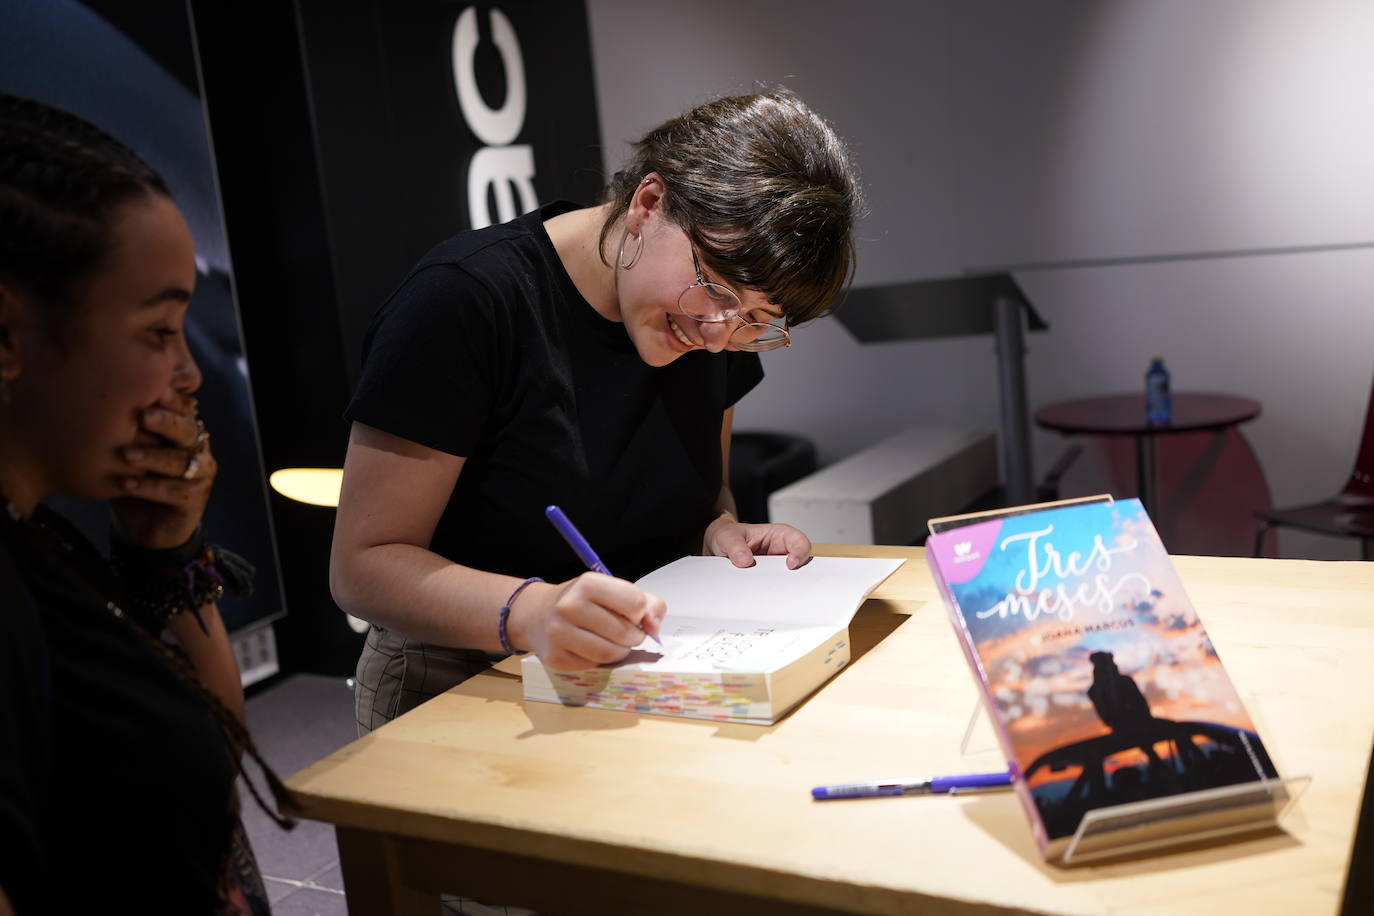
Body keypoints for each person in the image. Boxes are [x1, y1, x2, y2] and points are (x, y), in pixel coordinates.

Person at [331, 89, 861, 733]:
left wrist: (719, 530)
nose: (719, 334)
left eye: (757, 319)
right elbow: (364, 565)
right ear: (648, 203)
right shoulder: (465, 300)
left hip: (638, 670)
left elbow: (702, 492)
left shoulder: (708, 328)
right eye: (716, 289)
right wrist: (531, 612)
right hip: (461, 681)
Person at [0, 94, 289, 915]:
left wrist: (169, 549)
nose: (188, 374)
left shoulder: (42, 541)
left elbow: (207, 758)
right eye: (160, 332)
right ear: (7, 335)